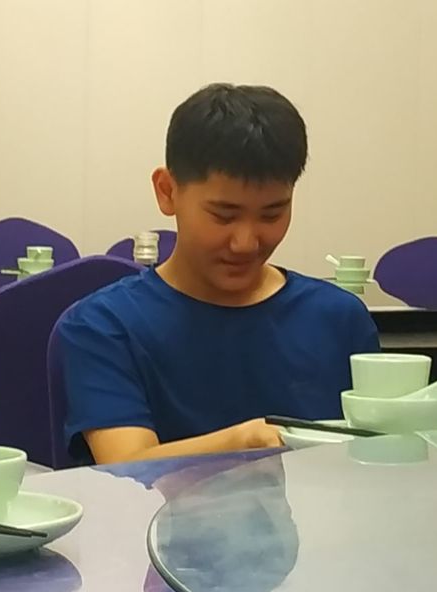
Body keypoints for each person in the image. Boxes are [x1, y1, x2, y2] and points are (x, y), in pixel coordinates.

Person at [58, 83, 379, 464]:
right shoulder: (104, 326)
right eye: (223, 216)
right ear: (167, 191)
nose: (246, 243)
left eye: (272, 214)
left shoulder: (338, 319)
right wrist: (244, 441)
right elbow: (126, 464)